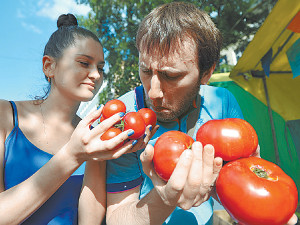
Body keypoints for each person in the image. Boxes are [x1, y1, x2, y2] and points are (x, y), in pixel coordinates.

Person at [103, 2, 298, 225]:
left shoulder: (223, 104)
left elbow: (240, 189)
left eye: (171, 76)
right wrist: (163, 199)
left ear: (207, 73)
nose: (153, 92)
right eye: (145, 70)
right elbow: (117, 217)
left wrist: (260, 209)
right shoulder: (123, 120)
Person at [0, 13, 139, 225]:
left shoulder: (93, 134)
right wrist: (73, 155)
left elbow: (89, 221)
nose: (96, 75)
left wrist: (99, 155)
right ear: (49, 66)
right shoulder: (5, 114)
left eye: (101, 68)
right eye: (84, 63)